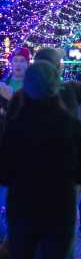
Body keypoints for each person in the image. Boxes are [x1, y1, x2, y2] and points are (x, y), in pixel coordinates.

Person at [0, 60, 81, 259]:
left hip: (22, 205)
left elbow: (4, 173)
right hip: (60, 205)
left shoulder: (15, 124)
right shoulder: (71, 124)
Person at [0, 47, 30, 243]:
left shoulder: (31, 86)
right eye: (15, 60)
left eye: (22, 61)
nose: (18, 64)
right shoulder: (5, 82)